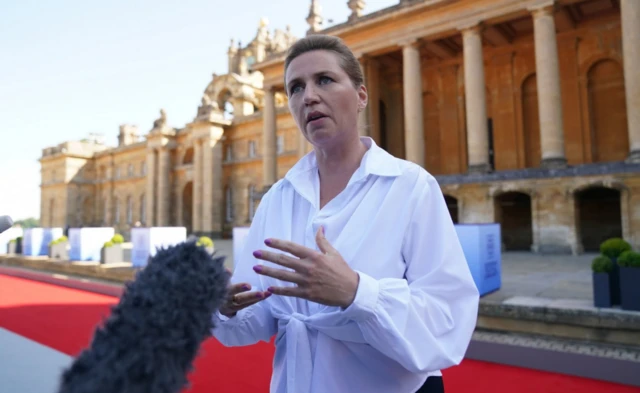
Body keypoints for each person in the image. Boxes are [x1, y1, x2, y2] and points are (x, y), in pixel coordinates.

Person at [211, 34, 479, 393]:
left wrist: (357, 292)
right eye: (295, 88)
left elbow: (447, 322)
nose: (308, 96)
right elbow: (255, 320)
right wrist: (227, 306)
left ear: (361, 97)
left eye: (324, 80)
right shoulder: (278, 198)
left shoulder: (410, 185)